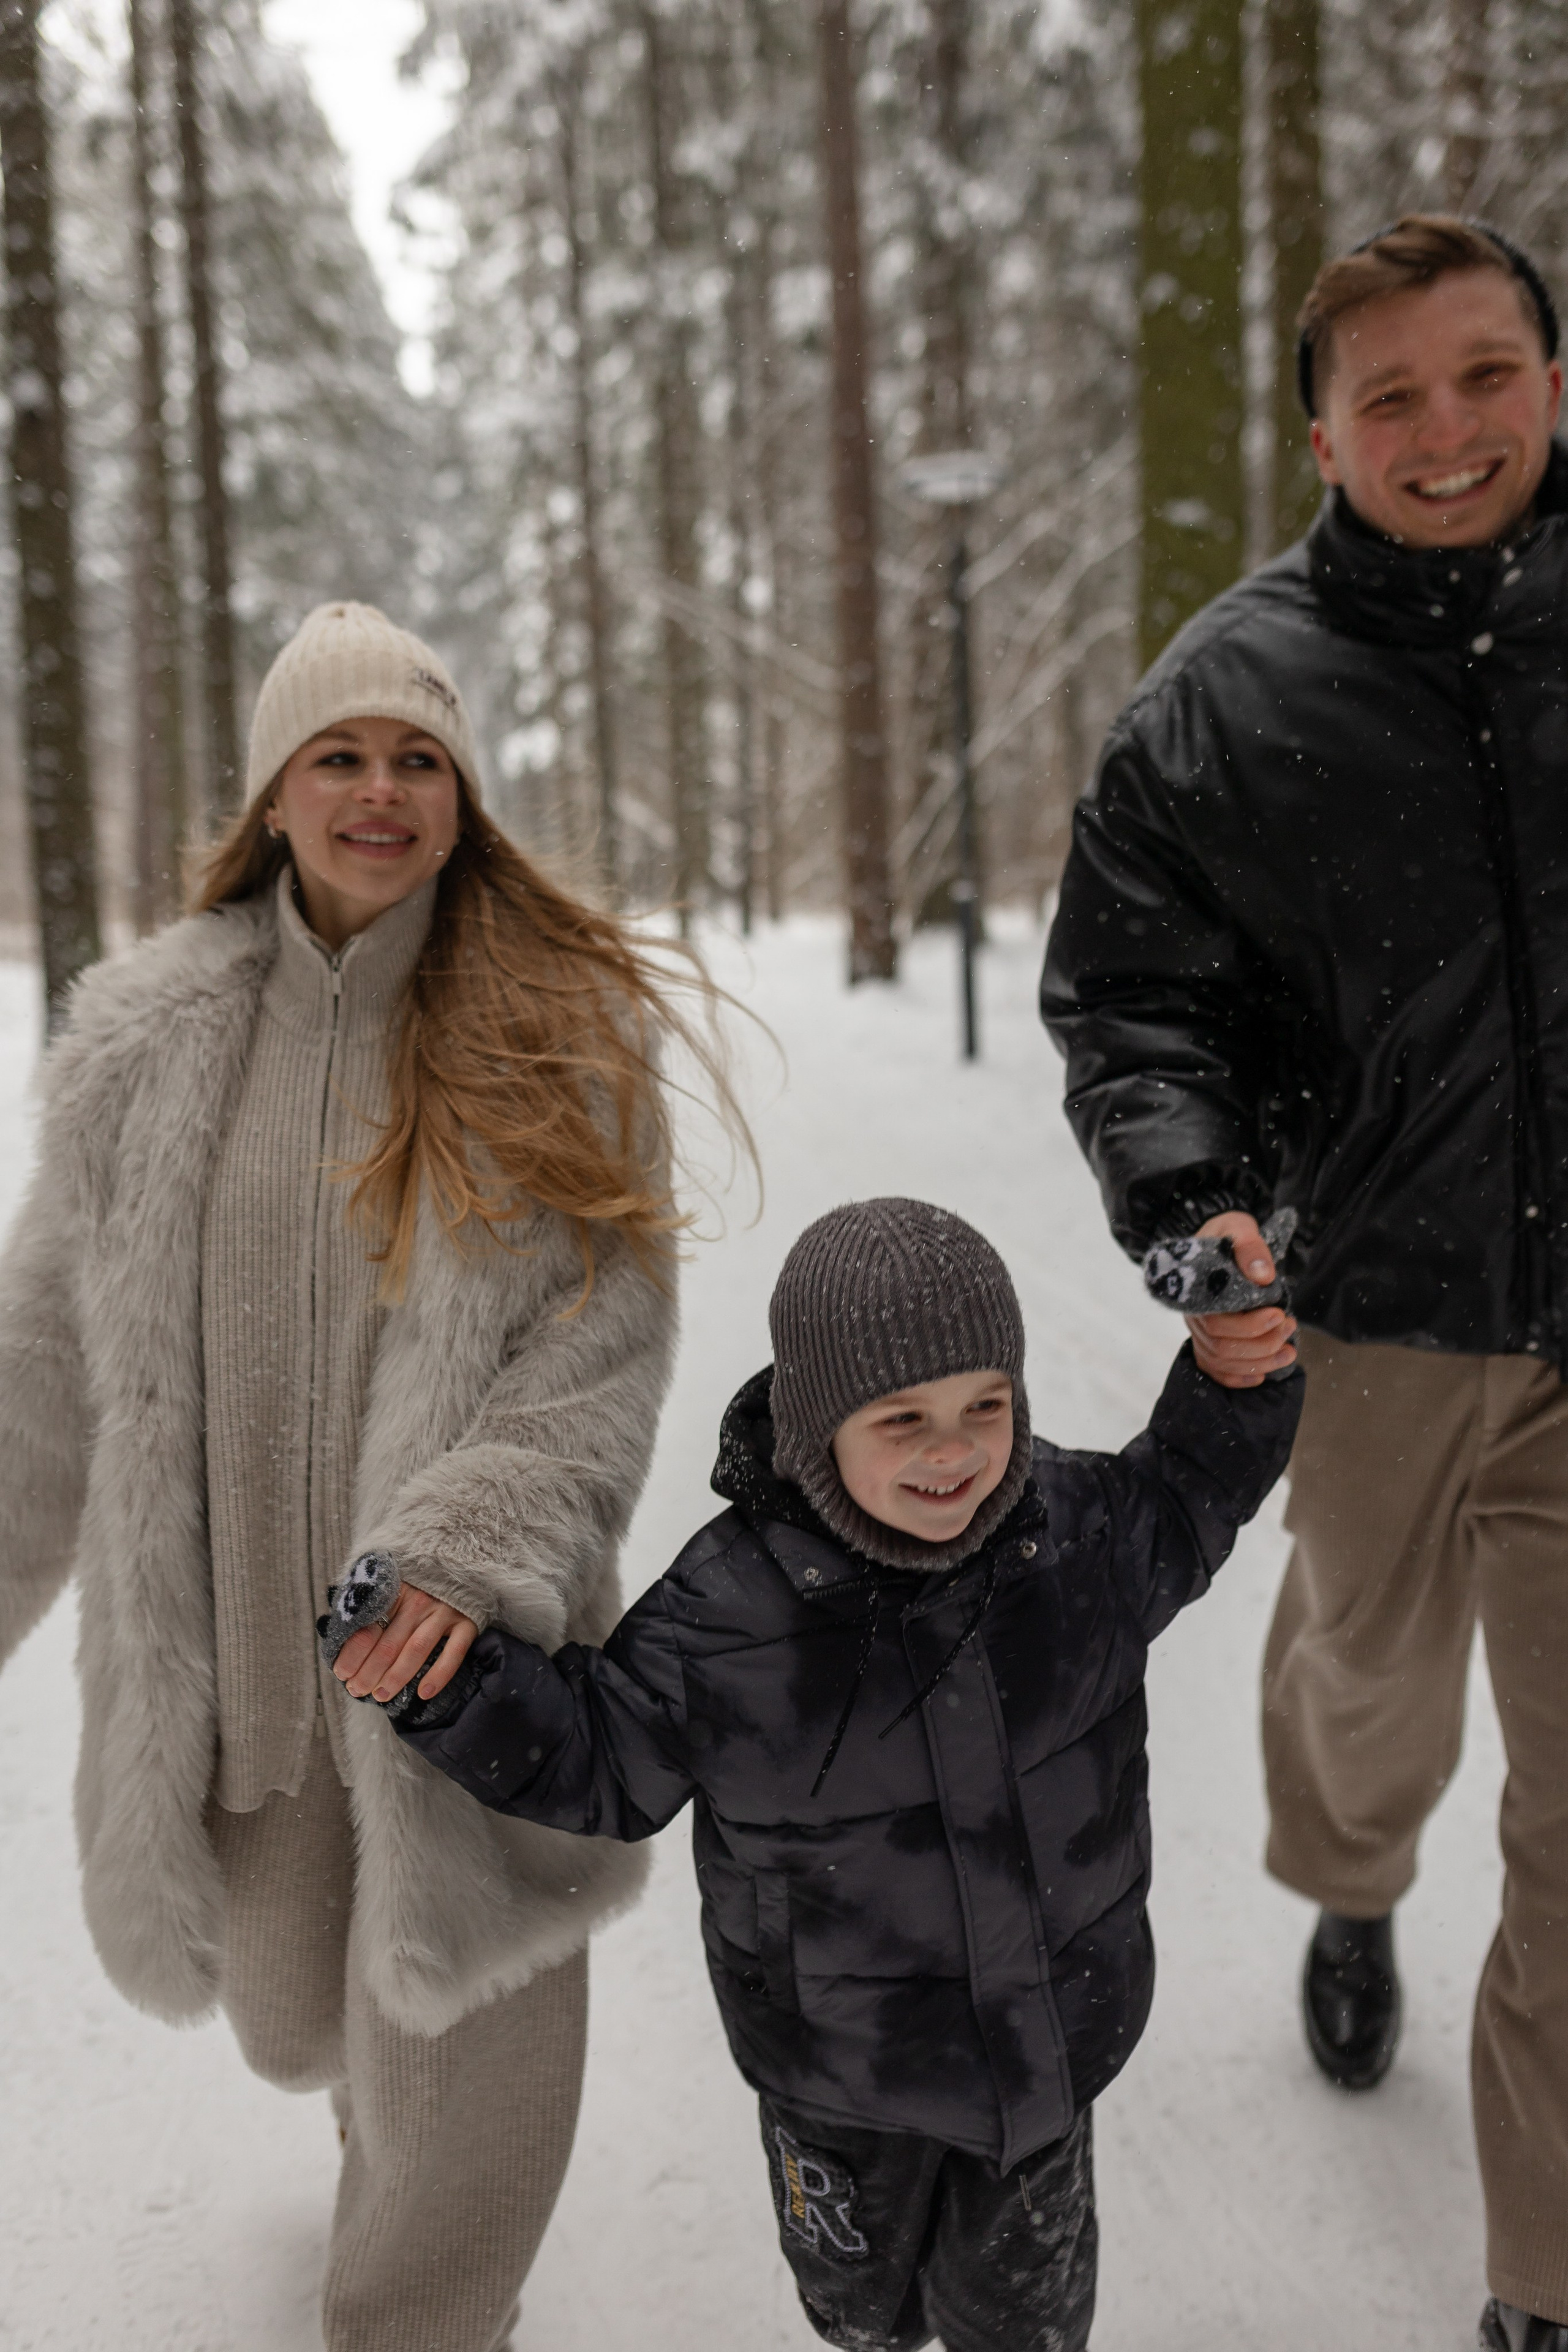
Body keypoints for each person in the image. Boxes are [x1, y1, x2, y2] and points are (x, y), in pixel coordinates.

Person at [0, 600, 736, 2351]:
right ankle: (377, 2126)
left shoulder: (554, 1025)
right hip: (249, 1663)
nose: (382, 790)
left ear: (463, 793)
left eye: (419, 759)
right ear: (273, 793)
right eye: (340, 756)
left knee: (462, 2038)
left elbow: (602, 1343)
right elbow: (42, 1369)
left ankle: (417, 2308)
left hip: (464, 1670)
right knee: (291, 2017)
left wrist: (463, 1554)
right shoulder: (142, 1043)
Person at [322, 1197, 1302, 2352]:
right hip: (838, 2084)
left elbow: (1193, 1484)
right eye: (902, 1419)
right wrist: (450, 1683)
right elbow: (601, 1760)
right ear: (817, 1423)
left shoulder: (1075, 1539)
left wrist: (1239, 1373)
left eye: (985, 1405)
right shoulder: (730, 1615)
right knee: (861, 2314)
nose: (954, 1452)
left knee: (1026, 2323)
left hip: (1049, 2049)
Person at [1040, 214, 1568, 2350]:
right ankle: (1351, 1874)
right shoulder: (1223, 705)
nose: (1447, 430)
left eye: (1484, 374)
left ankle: (1543, 2279)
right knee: (1368, 1664)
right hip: (1377, 1318)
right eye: (1393, 396)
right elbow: (1136, 1007)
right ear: (1324, 435)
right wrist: (1196, 1197)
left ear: (1553, 376)